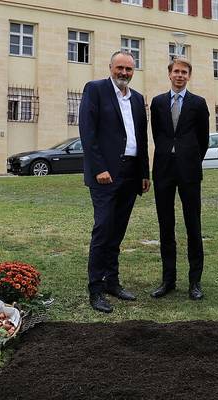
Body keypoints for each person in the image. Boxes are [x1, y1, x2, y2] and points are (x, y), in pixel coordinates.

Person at [79, 50, 150, 313]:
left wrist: (144, 173)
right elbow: (87, 132)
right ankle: (96, 289)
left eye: (129, 69)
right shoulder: (95, 90)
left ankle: (112, 282)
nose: (124, 73)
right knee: (103, 230)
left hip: (131, 174)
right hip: (105, 175)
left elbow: (141, 138)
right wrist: (99, 168)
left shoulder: (137, 98)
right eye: (120, 67)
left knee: (118, 231)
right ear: (110, 67)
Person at [150, 57, 210, 300]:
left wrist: (190, 158)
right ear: (169, 74)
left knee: (193, 225)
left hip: (189, 171)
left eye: (184, 72)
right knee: (166, 225)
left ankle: (195, 282)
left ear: (189, 76)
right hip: (163, 169)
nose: (180, 75)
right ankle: (168, 280)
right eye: (176, 71)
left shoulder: (198, 103)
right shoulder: (158, 102)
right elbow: (157, 134)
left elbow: (203, 139)